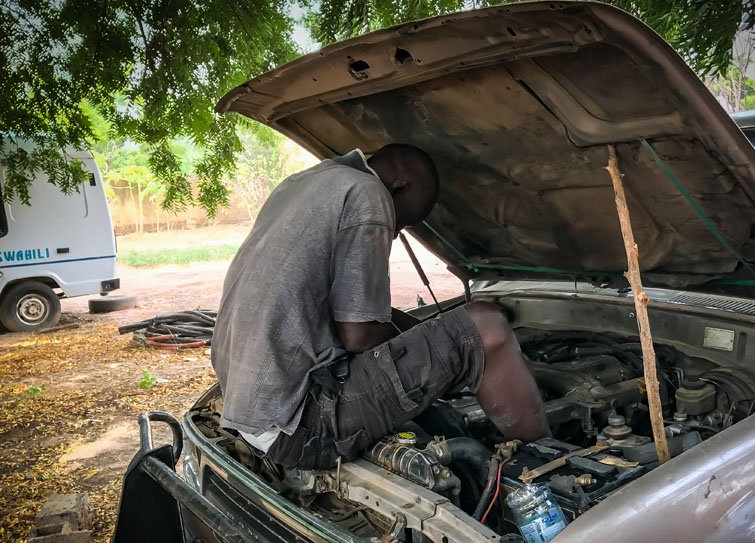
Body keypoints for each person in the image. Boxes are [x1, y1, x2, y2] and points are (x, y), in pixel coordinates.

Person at [212, 144, 550, 471]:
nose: (393, 233)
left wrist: (428, 333)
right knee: (486, 326)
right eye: (401, 224)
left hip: (253, 412)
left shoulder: (302, 183)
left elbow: (349, 315)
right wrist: (456, 349)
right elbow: (359, 335)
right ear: (400, 186)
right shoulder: (366, 193)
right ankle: (544, 466)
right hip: (303, 424)